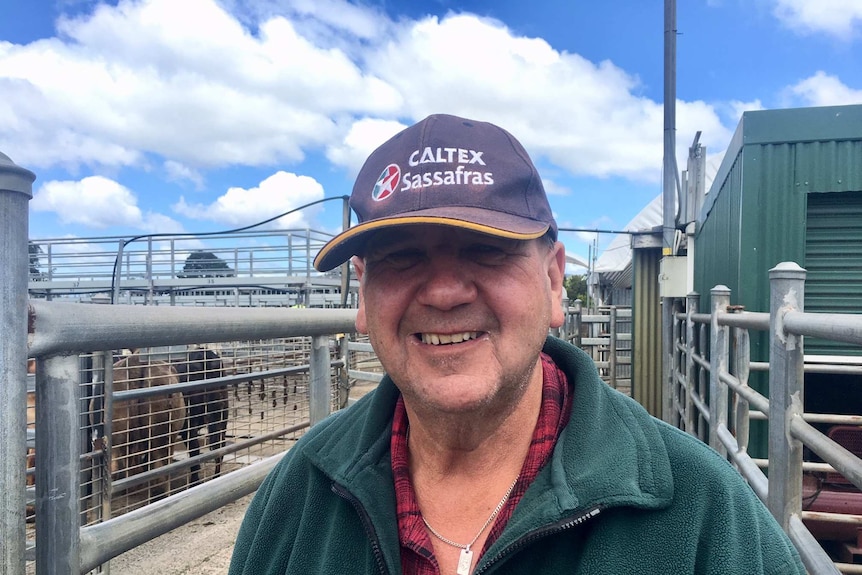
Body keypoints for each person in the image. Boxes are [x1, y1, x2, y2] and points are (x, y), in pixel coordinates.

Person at [228, 114, 805, 574]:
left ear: (554, 281)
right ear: (362, 294)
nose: (446, 292)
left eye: (488, 250)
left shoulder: (704, 516)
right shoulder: (300, 493)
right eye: (401, 257)